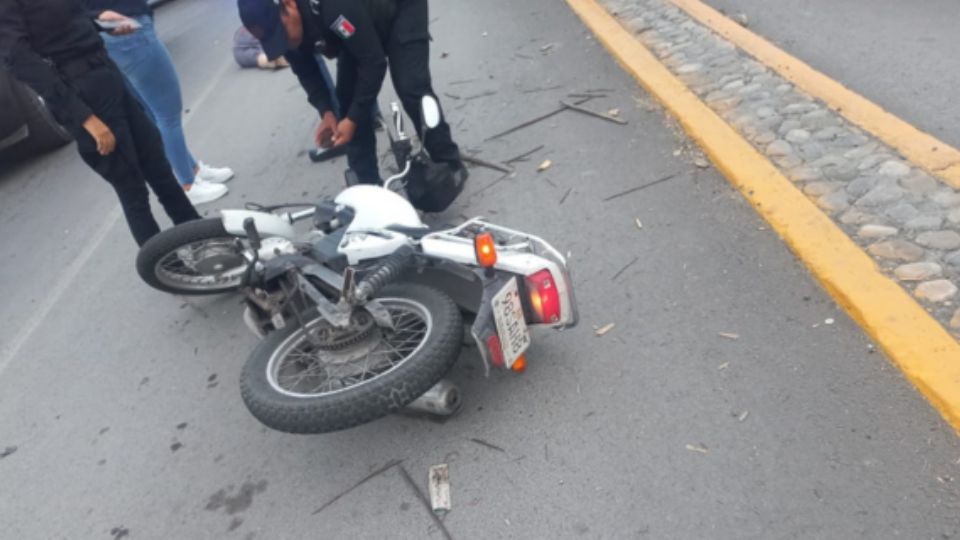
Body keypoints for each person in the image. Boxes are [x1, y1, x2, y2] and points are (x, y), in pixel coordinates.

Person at [0, 0, 200, 246]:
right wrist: (86, 118)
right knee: (132, 190)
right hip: (81, 92)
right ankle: (170, 271)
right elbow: (18, 59)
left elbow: (66, 20)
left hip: (106, 73)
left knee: (159, 169)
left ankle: (204, 239)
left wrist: (100, 21)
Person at [237, 0, 467, 189]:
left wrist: (354, 119)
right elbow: (306, 71)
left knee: (411, 88)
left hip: (400, 10)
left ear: (289, 4)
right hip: (359, 28)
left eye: (281, 32)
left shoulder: (333, 8)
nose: (285, 42)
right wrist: (327, 112)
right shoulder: (289, 34)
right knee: (346, 103)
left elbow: (374, 62)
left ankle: (449, 163)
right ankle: (367, 187)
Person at [85, 0, 234, 205]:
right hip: (127, 28)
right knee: (167, 113)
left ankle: (192, 170)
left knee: (154, 113)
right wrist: (99, 13)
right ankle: (188, 183)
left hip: (115, 31)